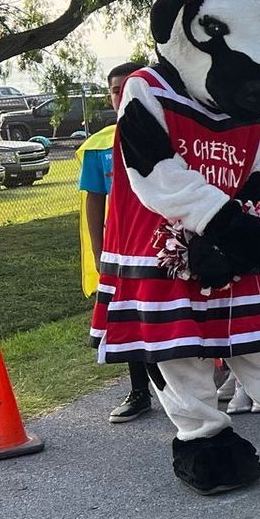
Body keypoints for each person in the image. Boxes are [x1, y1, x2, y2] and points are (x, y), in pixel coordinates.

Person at [77, 61, 158, 423]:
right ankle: (140, 391)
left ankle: (184, 389)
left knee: (166, 318)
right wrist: (98, 250)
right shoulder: (98, 147)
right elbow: (95, 199)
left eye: (131, 85)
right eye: (115, 89)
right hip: (122, 248)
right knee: (127, 318)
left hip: (162, 243)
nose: (123, 94)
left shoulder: (168, 132)